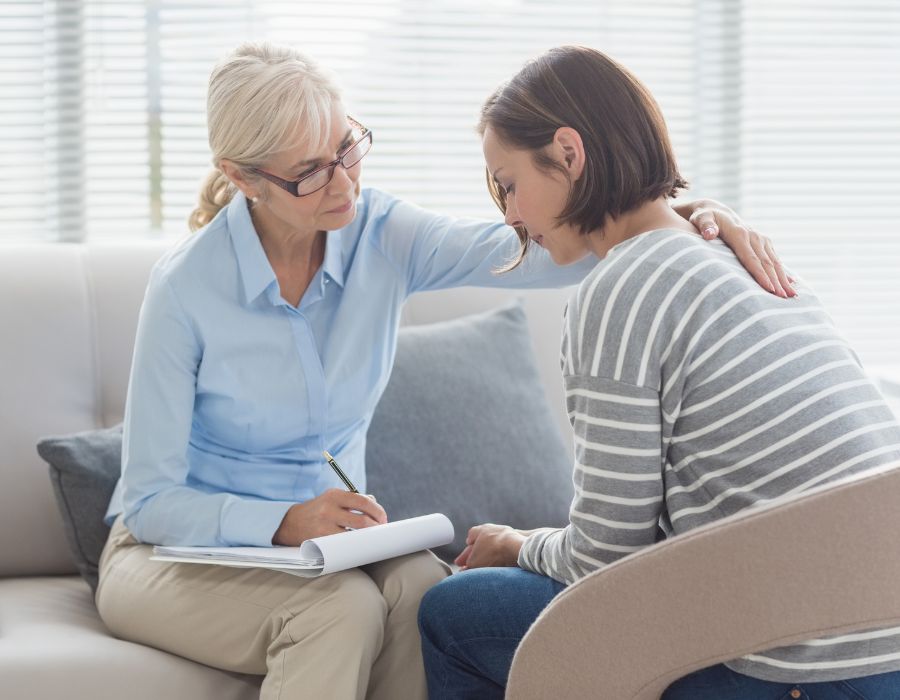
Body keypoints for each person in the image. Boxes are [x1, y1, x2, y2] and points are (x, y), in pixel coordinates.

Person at [94, 42, 788, 700]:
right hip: (168, 557)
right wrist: (281, 520)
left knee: (424, 593)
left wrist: (684, 215)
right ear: (244, 177)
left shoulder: (379, 233)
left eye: (346, 148)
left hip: (323, 550)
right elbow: (151, 502)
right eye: (309, 172)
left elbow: (552, 244)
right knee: (338, 613)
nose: (342, 183)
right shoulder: (186, 288)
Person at [417, 45, 900, 700]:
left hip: (794, 670)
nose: (511, 215)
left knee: (453, 613)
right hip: (880, 637)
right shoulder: (747, 261)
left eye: (507, 183)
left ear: (567, 152)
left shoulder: (620, 291)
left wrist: (516, 543)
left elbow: (602, 563)